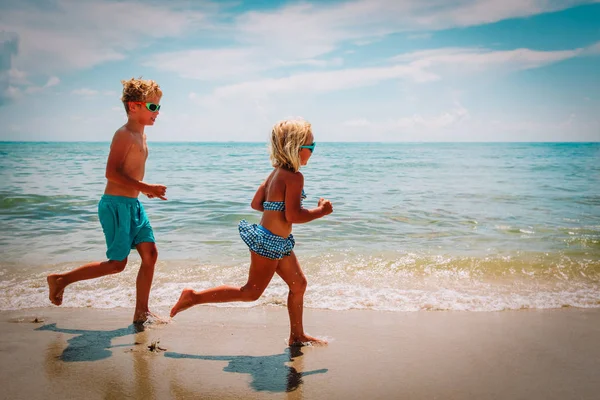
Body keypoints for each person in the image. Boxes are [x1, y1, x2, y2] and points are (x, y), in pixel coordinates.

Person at [170, 119, 333, 346]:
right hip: (269, 243)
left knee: (299, 285)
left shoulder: (276, 173)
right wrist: (321, 211)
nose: (313, 152)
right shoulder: (295, 177)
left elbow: (257, 203)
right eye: (311, 147)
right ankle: (194, 297)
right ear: (295, 148)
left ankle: (297, 335)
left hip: (278, 242)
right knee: (250, 292)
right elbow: (294, 216)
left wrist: (275, 208)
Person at [46, 77, 167, 323]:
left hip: (133, 205)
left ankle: (141, 312)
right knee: (116, 264)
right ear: (134, 107)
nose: (157, 112)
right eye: (152, 107)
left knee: (150, 254)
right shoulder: (124, 134)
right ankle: (61, 280)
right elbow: (111, 173)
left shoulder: (141, 136)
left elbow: (129, 173)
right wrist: (145, 186)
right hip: (115, 206)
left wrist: (143, 190)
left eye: (158, 107)